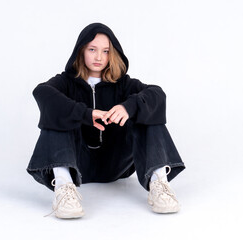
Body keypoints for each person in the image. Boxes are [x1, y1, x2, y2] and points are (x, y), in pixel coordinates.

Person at [26, 23, 185, 219]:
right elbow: (41, 91)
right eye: (92, 49)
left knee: (146, 108)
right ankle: (63, 187)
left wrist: (129, 106)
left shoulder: (123, 84)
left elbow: (157, 94)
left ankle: (159, 183)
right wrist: (84, 113)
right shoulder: (66, 82)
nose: (99, 57)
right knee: (57, 111)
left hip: (116, 163)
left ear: (112, 54)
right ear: (81, 50)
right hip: (76, 163)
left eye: (105, 51)